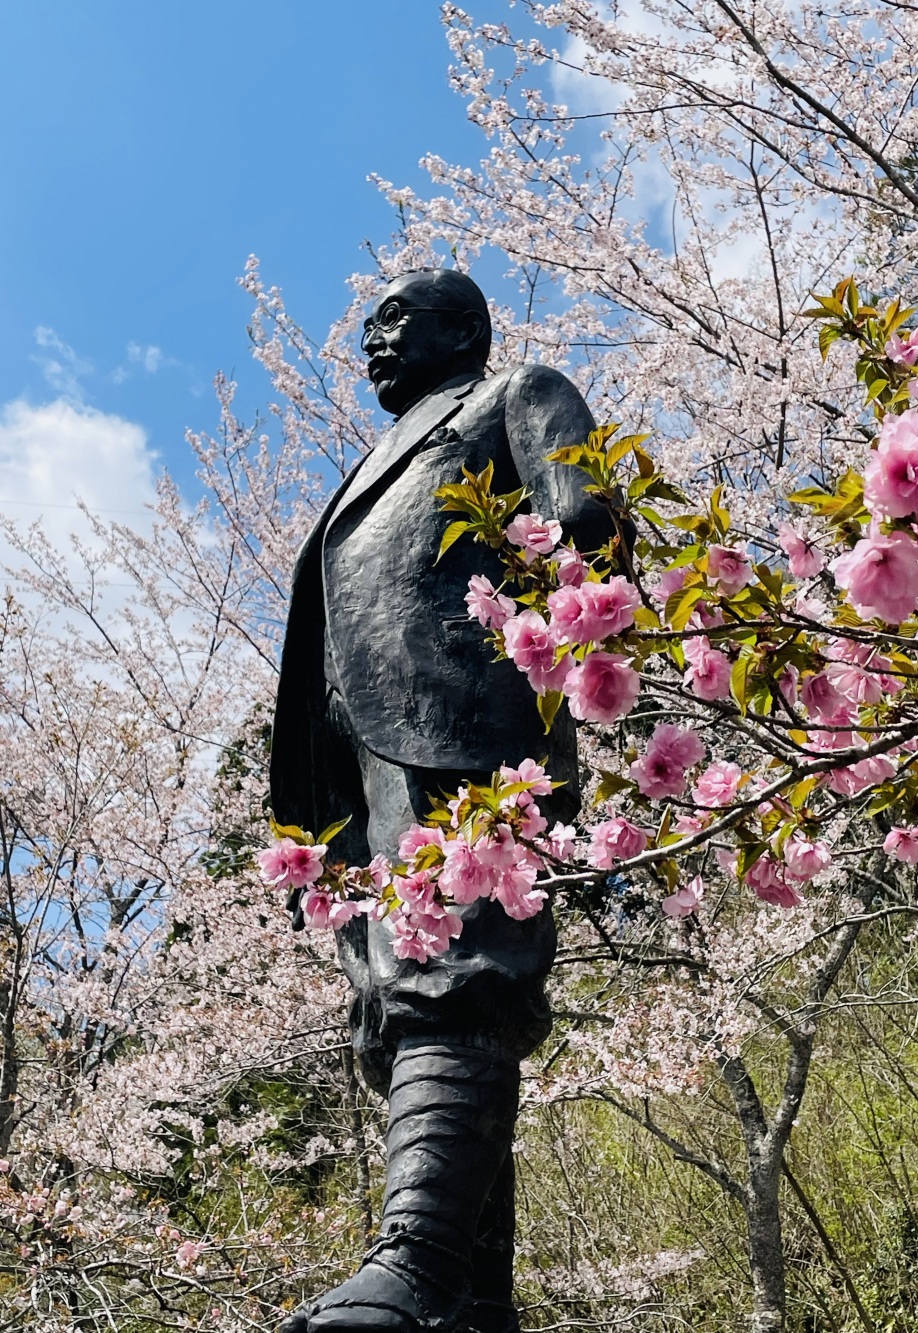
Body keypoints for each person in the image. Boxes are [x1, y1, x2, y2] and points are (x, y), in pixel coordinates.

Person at [271, 269, 610, 1333]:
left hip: (470, 724)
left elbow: (586, 522)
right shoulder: (371, 461)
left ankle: (415, 1262)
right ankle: (471, 1299)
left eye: (391, 320)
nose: (368, 342)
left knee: (460, 968)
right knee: (395, 992)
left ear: (461, 328)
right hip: (362, 752)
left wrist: (538, 640)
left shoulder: (515, 393)